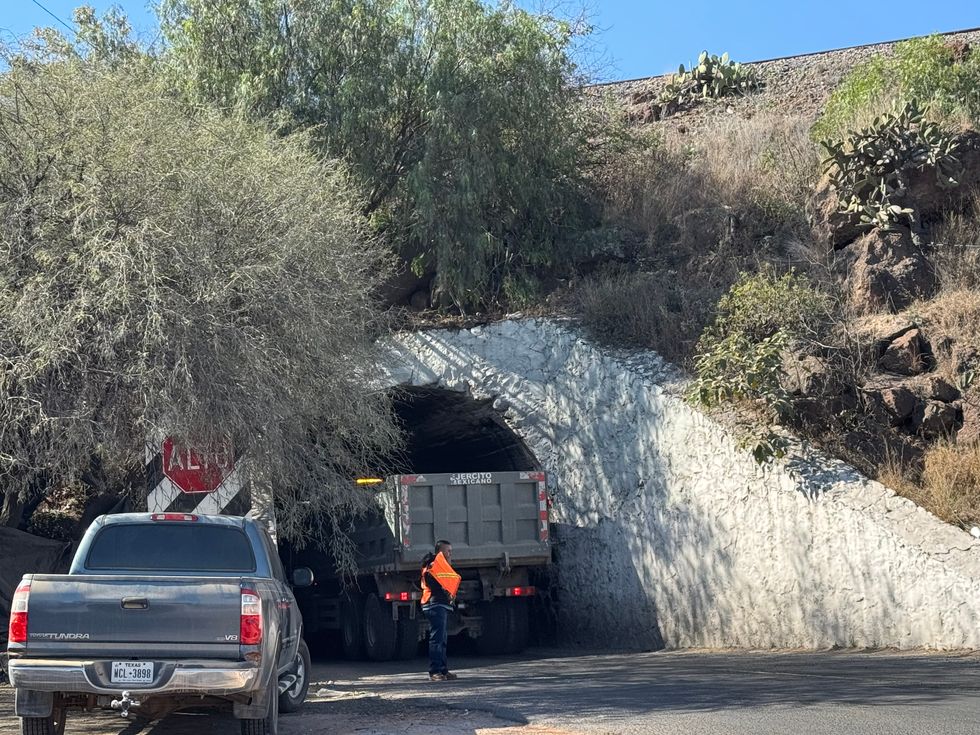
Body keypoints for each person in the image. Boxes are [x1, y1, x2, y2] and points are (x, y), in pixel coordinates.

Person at [420, 539, 461, 681]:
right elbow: (437, 587)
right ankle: (435, 672)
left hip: (438, 605)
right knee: (437, 639)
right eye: (448, 551)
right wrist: (448, 594)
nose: (450, 554)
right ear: (440, 552)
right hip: (434, 605)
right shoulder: (434, 566)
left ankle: (443, 670)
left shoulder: (438, 565)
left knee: (442, 638)